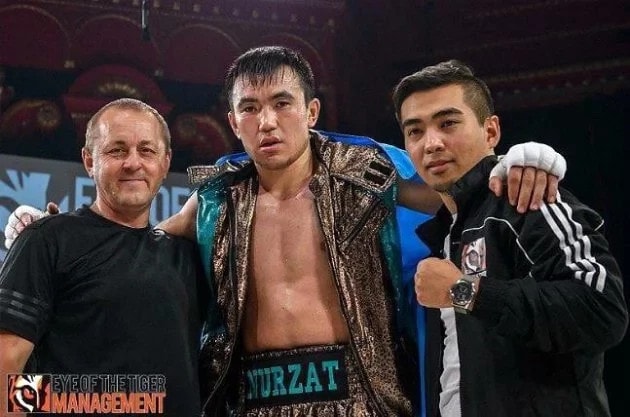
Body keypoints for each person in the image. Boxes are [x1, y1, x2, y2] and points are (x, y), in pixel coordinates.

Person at [2, 47, 565, 417]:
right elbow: (132, 241)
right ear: (233, 122)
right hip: (248, 398)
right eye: (250, 108)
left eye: (281, 103)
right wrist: (45, 232)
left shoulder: (366, 171)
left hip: (360, 393)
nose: (267, 121)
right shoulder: (216, 195)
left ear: (311, 111)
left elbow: (455, 192)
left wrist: (518, 161)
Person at [392, 60, 628, 417]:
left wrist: (465, 292)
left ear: (490, 131)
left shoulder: (528, 198)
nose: (432, 143)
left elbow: (602, 310)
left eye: (448, 123)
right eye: (415, 131)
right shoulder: (444, 234)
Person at [0, 98, 207, 416]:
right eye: (117, 150)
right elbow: (6, 370)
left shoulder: (188, 256)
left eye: (146, 151)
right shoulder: (48, 240)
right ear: (89, 160)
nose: (133, 163)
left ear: (165, 163)